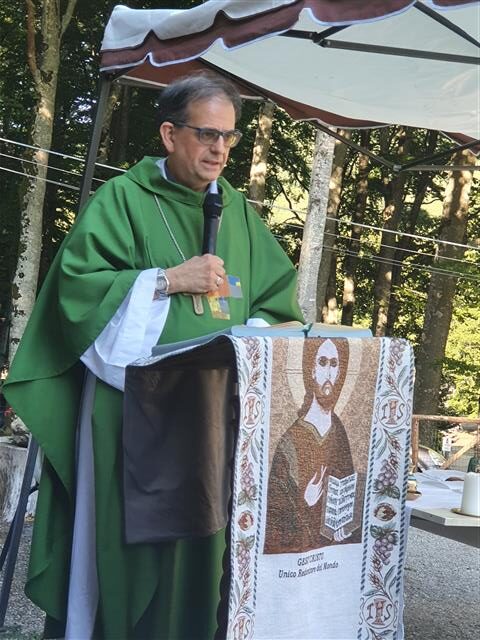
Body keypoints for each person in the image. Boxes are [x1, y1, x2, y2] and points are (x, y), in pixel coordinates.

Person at [4, 73, 303, 640]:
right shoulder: (122, 198)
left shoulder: (237, 211)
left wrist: (251, 337)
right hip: (130, 412)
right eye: (206, 134)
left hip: (212, 414)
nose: (220, 149)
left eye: (230, 138)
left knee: (204, 550)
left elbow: (276, 302)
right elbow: (75, 292)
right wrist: (166, 280)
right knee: (126, 547)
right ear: (169, 133)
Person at [264, 337, 362, 554]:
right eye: (322, 362)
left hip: (332, 552)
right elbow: (274, 513)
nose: (328, 373)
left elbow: (347, 490)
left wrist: (344, 525)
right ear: (311, 370)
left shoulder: (339, 430)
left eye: (334, 364)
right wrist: (304, 501)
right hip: (296, 553)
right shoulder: (291, 438)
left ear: (340, 372)